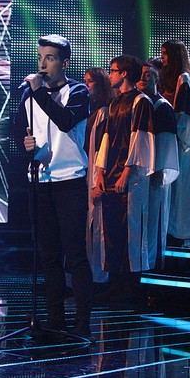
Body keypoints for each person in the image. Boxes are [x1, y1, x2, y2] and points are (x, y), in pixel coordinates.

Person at [17, 34, 93, 338]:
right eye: (40, 58)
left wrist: (39, 92)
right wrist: (26, 145)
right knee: (48, 255)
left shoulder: (78, 91)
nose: (42, 65)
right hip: (40, 180)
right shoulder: (28, 95)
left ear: (65, 63)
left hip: (70, 181)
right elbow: (19, 133)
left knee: (75, 255)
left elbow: (65, 120)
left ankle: (82, 322)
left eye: (49, 58)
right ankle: (55, 317)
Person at [95, 55, 155, 307]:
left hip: (130, 179)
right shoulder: (114, 103)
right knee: (112, 231)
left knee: (130, 231)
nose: (110, 75)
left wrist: (127, 172)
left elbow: (140, 138)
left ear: (125, 73)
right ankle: (115, 285)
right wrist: (100, 171)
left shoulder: (141, 102)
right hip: (111, 175)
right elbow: (107, 138)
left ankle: (130, 289)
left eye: (113, 70)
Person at [136, 62, 179, 269]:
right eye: (141, 74)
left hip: (156, 173)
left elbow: (167, 143)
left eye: (148, 75)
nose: (143, 78)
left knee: (155, 217)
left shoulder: (161, 107)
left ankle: (153, 264)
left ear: (156, 79)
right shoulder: (139, 103)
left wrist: (159, 171)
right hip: (141, 173)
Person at [159, 39, 190, 246]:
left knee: (178, 187)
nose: (162, 57)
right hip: (167, 141)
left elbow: (184, 115)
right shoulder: (167, 79)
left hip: (179, 142)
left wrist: (175, 133)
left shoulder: (183, 79)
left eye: (165, 53)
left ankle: (177, 231)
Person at [83, 67, 115, 287]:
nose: (86, 85)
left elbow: (100, 150)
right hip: (86, 175)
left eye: (90, 81)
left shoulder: (103, 112)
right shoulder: (92, 111)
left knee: (97, 228)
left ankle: (98, 278)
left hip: (95, 176)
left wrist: (96, 179)